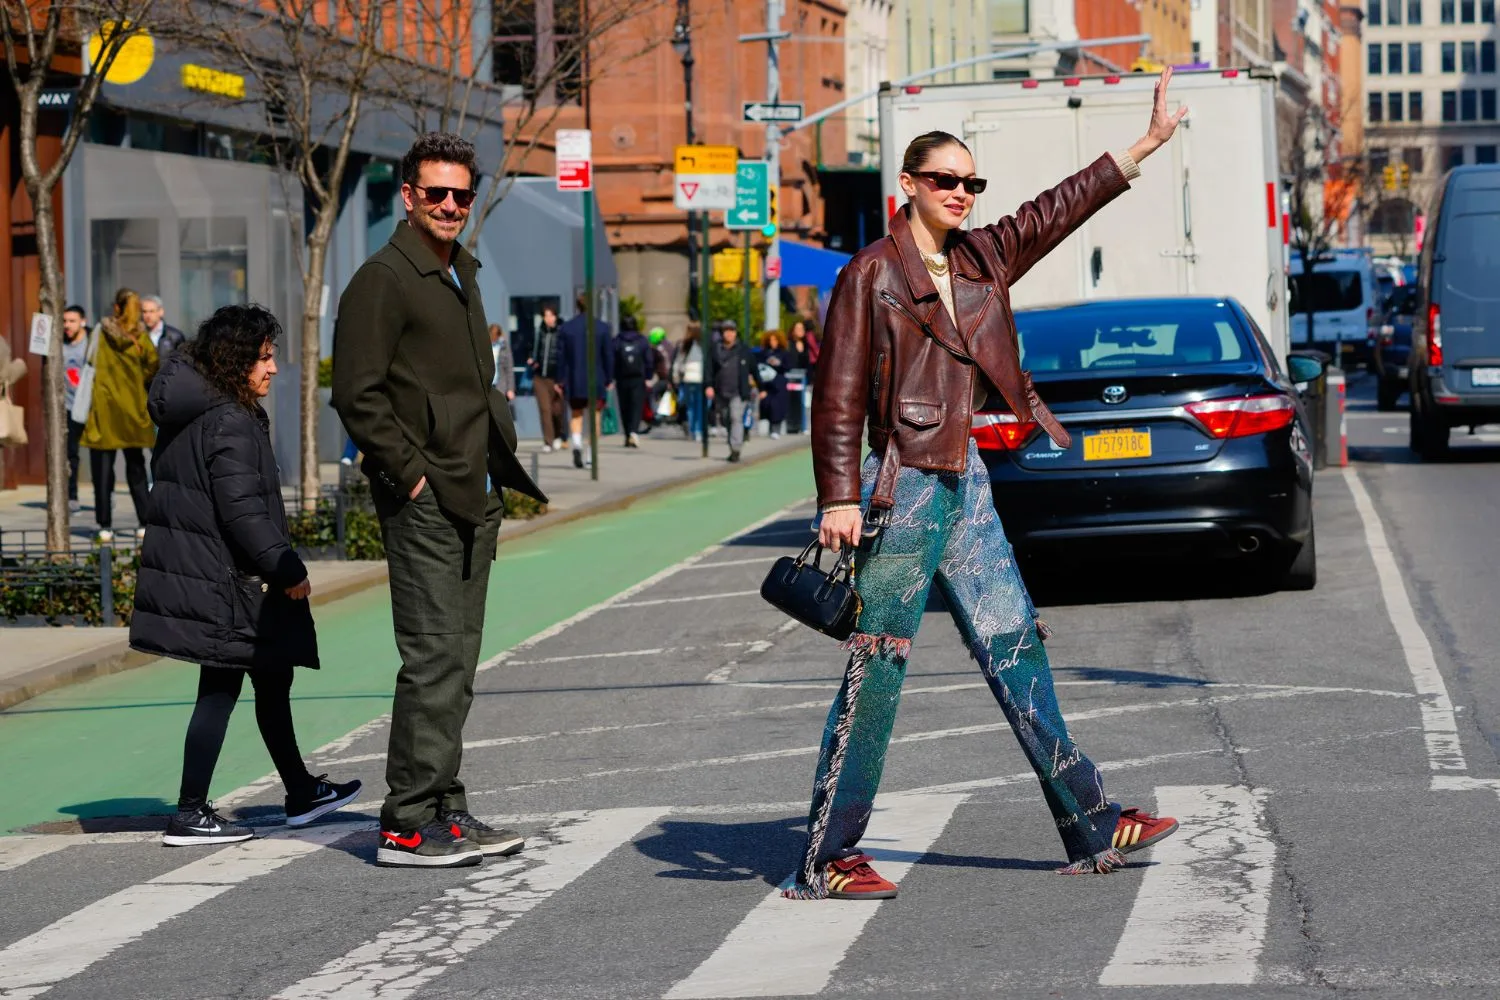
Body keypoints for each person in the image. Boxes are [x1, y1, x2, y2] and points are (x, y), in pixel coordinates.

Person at [788, 69, 1191, 901]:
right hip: (901, 487)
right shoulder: (870, 274)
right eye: (945, 180)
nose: (962, 193)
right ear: (908, 185)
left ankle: (1091, 819)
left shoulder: (982, 256)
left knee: (1017, 650)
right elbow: (836, 391)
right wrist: (837, 494)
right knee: (879, 667)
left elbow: (1058, 206)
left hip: (963, 479)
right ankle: (827, 857)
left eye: (972, 182)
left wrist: (1142, 146)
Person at [333, 132, 545, 869]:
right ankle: (405, 821)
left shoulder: (460, 270)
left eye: (462, 193)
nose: (452, 204)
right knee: (431, 659)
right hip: (426, 497)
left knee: (458, 658)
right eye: (437, 193)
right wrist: (410, 475)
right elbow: (355, 395)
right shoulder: (384, 278)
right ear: (409, 196)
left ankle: (445, 808)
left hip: (472, 491)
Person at [130, 304, 361, 846]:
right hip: (229, 581)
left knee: (271, 675)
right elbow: (242, 511)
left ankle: (301, 790)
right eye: (264, 358)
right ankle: (189, 812)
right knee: (219, 687)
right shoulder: (229, 420)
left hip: (221, 575)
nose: (273, 368)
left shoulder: (205, 410)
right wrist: (287, 567)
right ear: (236, 362)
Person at [81, 288, 158, 543]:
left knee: (102, 473)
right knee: (136, 470)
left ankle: (104, 525)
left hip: (103, 412)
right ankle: (143, 522)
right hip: (132, 413)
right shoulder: (141, 339)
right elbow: (152, 368)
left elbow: (88, 361)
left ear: (116, 308)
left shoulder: (100, 333)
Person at [556, 292, 615, 469]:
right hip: (596, 378)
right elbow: (608, 355)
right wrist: (609, 378)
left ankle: (576, 444)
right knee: (595, 417)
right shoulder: (602, 328)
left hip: (575, 378)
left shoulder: (567, 328)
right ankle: (590, 455)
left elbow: (561, 357)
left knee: (576, 414)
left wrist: (559, 380)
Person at [705, 320, 758, 463]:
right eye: (726, 331)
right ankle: (732, 446)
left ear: (735, 333)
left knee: (736, 418)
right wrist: (708, 385)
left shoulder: (743, 350)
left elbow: (754, 368)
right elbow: (709, 369)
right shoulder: (715, 349)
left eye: (732, 330)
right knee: (726, 419)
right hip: (721, 391)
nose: (729, 333)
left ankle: (736, 448)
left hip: (738, 392)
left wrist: (761, 386)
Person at [61, 305, 89, 512]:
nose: (67, 325)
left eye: (72, 321)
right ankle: (72, 495)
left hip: (90, 404)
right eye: (65, 321)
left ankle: (106, 493)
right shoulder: (59, 345)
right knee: (71, 452)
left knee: (102, 451)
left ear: (83, 321)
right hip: (68, 406)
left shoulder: (90, 345)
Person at [527, 305, 567, 452]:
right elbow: (530, 347)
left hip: (556, 379)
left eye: (551, 315)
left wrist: (562, 380)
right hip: (540, 377)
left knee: (557, 411)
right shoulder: (539, 332)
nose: (548, 319)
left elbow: (565, 356)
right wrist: (532, 358)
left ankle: (558, 436)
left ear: (556, 316)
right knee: (545, 410)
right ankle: (548, 441)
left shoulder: (562, 332)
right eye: (545, 316)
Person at [612, 314, 651, 447]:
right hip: (638, 378)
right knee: (636, 405)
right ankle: (634, 431)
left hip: (621, 378)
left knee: (624, 407)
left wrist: (611, 377)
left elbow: (612, 360)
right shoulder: (642, 340)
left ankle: (628, 433)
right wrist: (648, 376)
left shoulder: (617, 340)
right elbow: (648, 360)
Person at [671, 325, 705, 440]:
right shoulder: (702, 345)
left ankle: (692, 430)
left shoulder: (684, 345)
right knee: (700, 405)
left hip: (688, 377)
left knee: (690, 406)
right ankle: (698, 430)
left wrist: (675, 377)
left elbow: (678, 362)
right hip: (700, 378)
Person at [757, 329, 792, 439]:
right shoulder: (763, 353)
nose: (772, 342)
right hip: (767, 384)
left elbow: (788, 367)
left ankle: (776, 429)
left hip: (779, 383)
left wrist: (778, 364)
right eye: (770, 340)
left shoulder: (784, 353)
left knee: (778, 406)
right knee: (767, 405)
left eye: (775, 340)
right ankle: (770, 429)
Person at [787, 319, 818, 434]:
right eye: (797, 329)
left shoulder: (807, 344)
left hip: (806, 378)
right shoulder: (789, 344)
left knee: (805, 402)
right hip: (792, 378)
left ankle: (804, 426)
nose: (800, 331)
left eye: (802, 329)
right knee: (793, 402)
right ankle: (792, 426)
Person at [141, 295, 187, 365]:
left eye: (151, 311)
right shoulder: (139, 335)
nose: (148, 315)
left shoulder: (175, 336)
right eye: (144, 311)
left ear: (161, 312)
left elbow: (183, 363)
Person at [489, 323, 517, 401]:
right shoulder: (485, 346)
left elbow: (509, 369)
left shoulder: (504, 346)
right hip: (488, 384)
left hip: (501, 385)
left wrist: (510, 388)